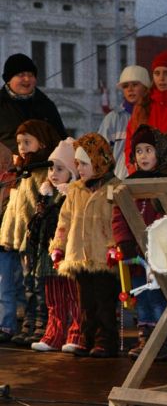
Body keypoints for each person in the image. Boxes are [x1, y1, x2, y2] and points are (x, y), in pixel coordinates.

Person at [50, 133, 121, 358]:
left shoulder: (114, 188)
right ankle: (86, 338)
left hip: (103, 257)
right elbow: (65, 220)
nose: (79, 169)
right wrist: (58, 247)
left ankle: (105, 341)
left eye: (85, 164)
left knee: (104, 302)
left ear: (99, 161)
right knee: (86, 303)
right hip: (78, 254)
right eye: (78, 164)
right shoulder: (76, 190)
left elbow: (118, 221)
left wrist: (114, 246)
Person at [111, 124, 167, 360]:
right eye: (139, 151)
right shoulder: (128, 184)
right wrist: (124, 241)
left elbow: (166, 216)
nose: (143, 156)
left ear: (159, 152)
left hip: (156, 255)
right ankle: (144, 338)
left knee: (158, 298)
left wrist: (152, 242)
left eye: (149, 150)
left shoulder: (164, 181)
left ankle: (161, 341)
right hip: (135, 256)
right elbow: (119, 215)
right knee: (141, 298)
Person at [0, 120, 61, 343]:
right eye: (19, 143)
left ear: (42, 143)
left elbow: (43, 206)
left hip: (37, 240)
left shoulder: (43, 172)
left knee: (38, 284)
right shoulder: (22, 172)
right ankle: (28, 322)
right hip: (23, 240)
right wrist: (8, 236)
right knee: (28, 284)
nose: (22, 147)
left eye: (27, 142)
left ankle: (40, 324)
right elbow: (14, 209)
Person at [28, 138, 82, 353]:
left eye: (60, 168)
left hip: (67, 253)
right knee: (53, 298)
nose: (53, 173)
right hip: (48, 253)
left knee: (73, 295)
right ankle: (54, 334)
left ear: (72, 171)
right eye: (51, 168)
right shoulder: (46, 194)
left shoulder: (73, 194)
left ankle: (76, 334)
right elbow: (37, 226)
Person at [124, 50, 167, 174]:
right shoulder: (142, 105)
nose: (161, 78)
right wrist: (132, 166)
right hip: (143, 171)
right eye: (157, 73)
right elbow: (131, 140)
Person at [0, 54, 67, 152]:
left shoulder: (46, 105)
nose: (27, 79)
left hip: (44, 165)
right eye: (21, 75)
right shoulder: (2, 105)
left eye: (31, 75)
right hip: (9, 165)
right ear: (8, 80)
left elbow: (61, 139)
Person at [98, 65, 151, 180]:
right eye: (125, 86)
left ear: (146, 88)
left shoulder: (153, 115)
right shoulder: (112, 119)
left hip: (150, 181)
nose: (130, 89)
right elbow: (100, 153)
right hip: (120, 182)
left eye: (135, 85)